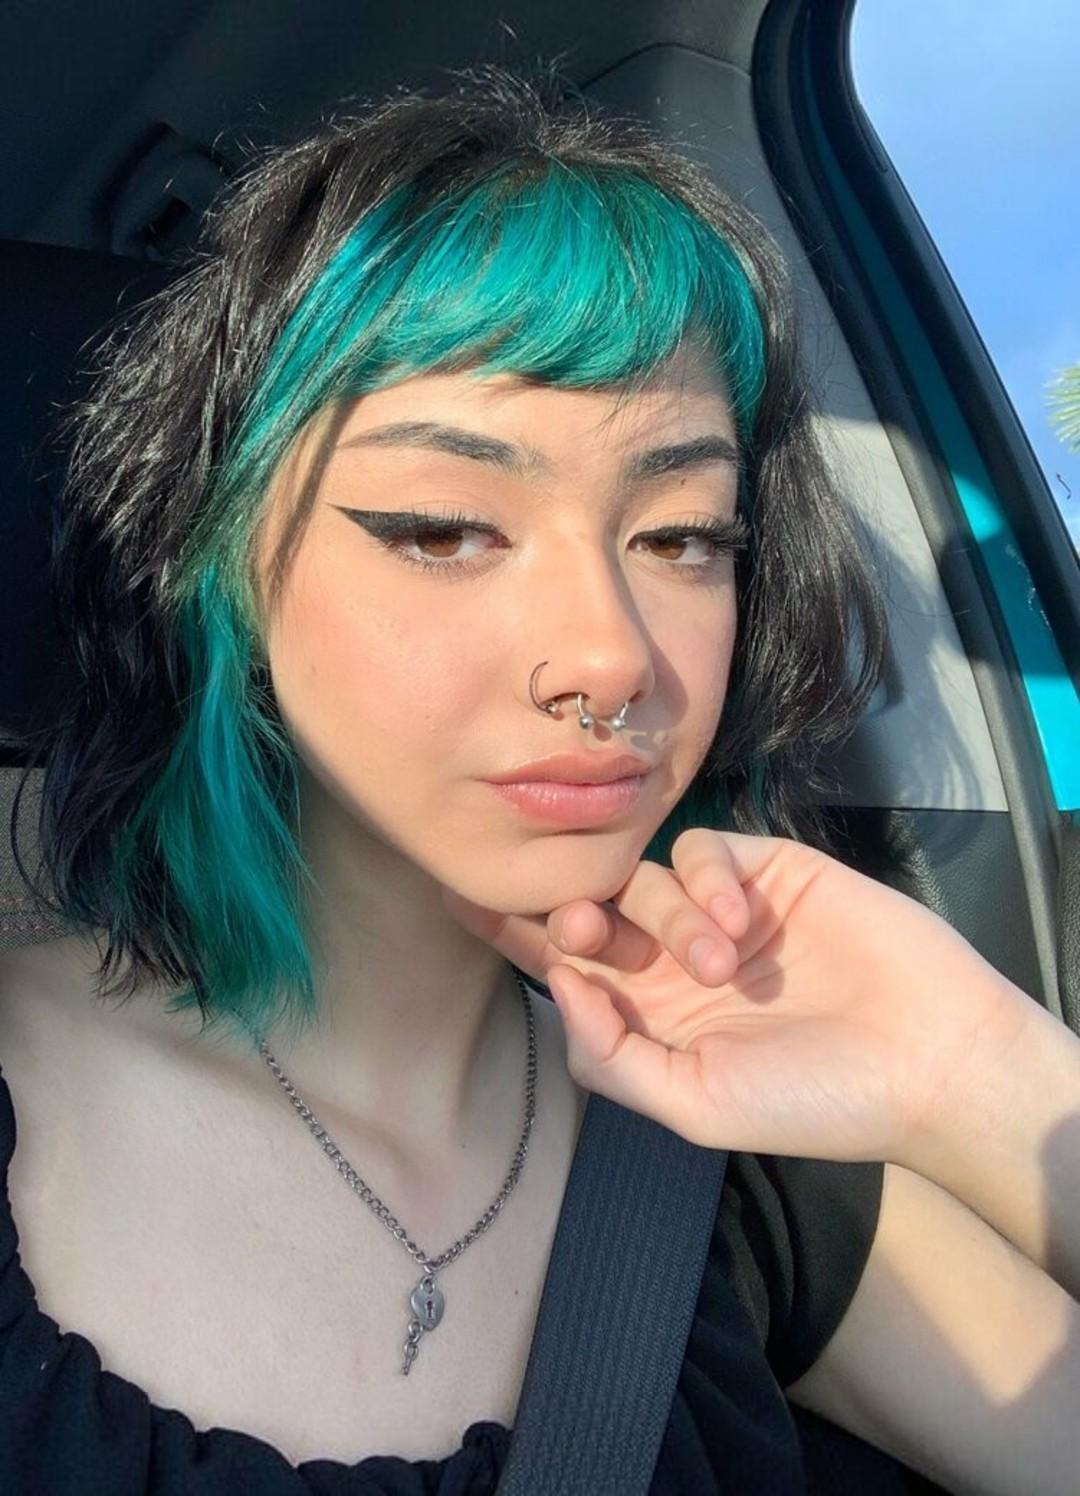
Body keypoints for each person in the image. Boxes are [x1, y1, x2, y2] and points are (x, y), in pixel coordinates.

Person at [1, 64, 1077, 1496]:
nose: (611, 657)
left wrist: (976, 1077)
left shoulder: (731, 1156)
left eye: (684, 538)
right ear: (220, 575)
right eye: (446, 528)